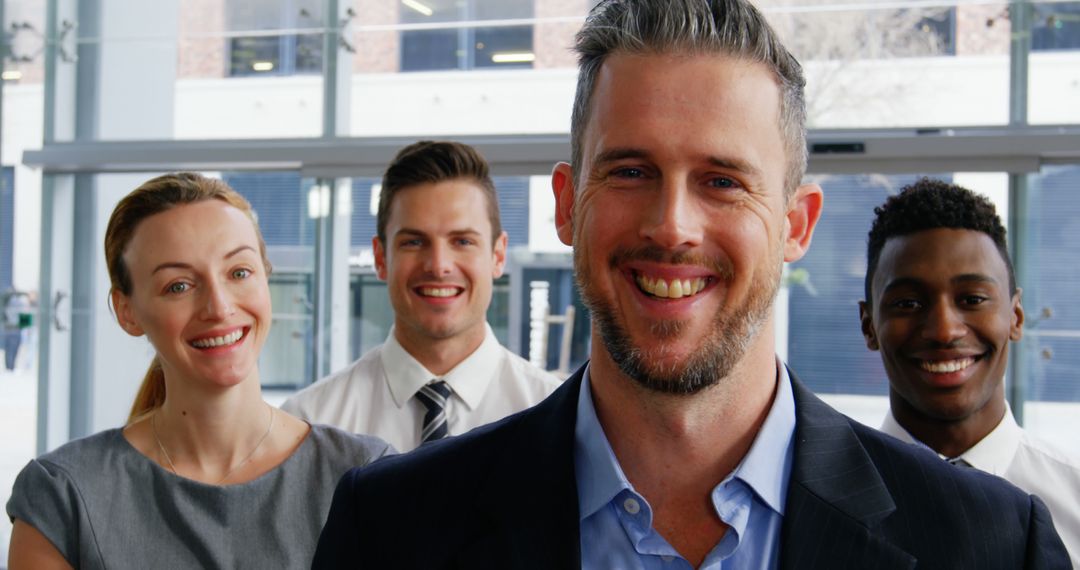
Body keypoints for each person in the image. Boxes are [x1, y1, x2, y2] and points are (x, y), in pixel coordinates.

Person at [312, 0, 1070, 568]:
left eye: (721, 179)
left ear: (797, 224)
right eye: (632, 171)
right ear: (566, 205)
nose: (672, 226)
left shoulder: (994, 546)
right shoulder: (389, 530)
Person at [6, 173, 392, 569]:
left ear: (265, 276)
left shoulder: (364, 473)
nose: (219, 307)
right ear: (127, 311)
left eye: (239, 272)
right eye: (179, 286)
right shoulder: (62, 497)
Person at [282, 141, 561, 452]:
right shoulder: (309, 423)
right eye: (414, 242)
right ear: (380, 257)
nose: (438, 266)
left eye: (462, 241)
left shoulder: (558, 416)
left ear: (498, 255)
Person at [859, 178, 1080, 566]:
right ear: (869, 325)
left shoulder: (1074, 499)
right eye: (908, 303)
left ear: (1015, 315)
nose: (944, 330)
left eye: (973, 299)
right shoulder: (811, 501)